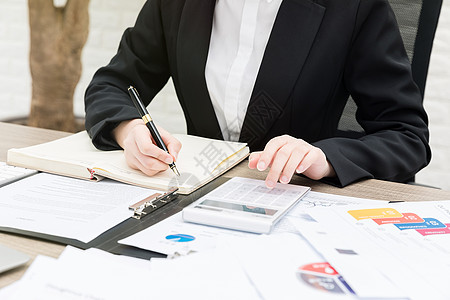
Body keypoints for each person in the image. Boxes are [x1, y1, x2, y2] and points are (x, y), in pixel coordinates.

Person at [85, 0, 430, 188]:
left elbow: (406, 135)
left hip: (299, 210)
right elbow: (112, 84)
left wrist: (323, 159)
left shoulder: (354, 7)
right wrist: (129, 130)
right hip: (194, 202)